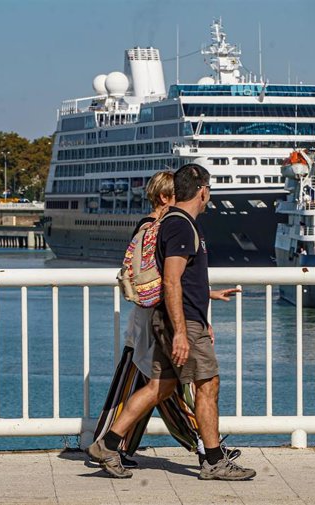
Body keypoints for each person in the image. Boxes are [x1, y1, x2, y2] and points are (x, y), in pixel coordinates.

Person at [87, 164, 256, 481]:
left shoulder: (176, 223)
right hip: (183, 322)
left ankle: (107, 445)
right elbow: (172, 281)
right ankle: (214, 461)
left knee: (160, 386)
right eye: (209, 193)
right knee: (208, 385)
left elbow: (181, 279)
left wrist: (208, 296)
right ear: (202, 190)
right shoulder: (180, 226)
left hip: (178, 319)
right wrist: (181, 331)